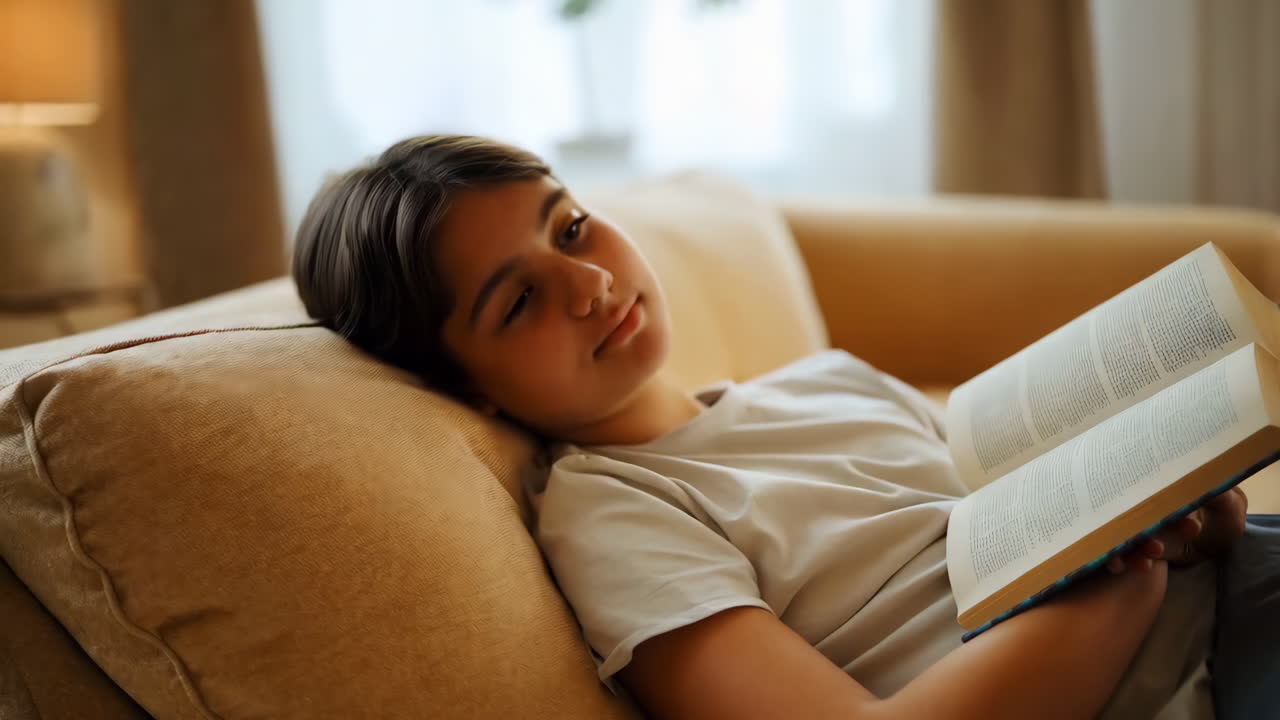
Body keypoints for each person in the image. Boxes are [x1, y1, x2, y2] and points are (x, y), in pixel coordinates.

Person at [292, 134, 1274, 719]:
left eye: (571, 227)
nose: (588, 283)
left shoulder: (825, 381)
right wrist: (1134, 574)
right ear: (470, 389)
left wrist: (1186, 510)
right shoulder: (615, 511)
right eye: (518, 302)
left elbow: (1015, 523)